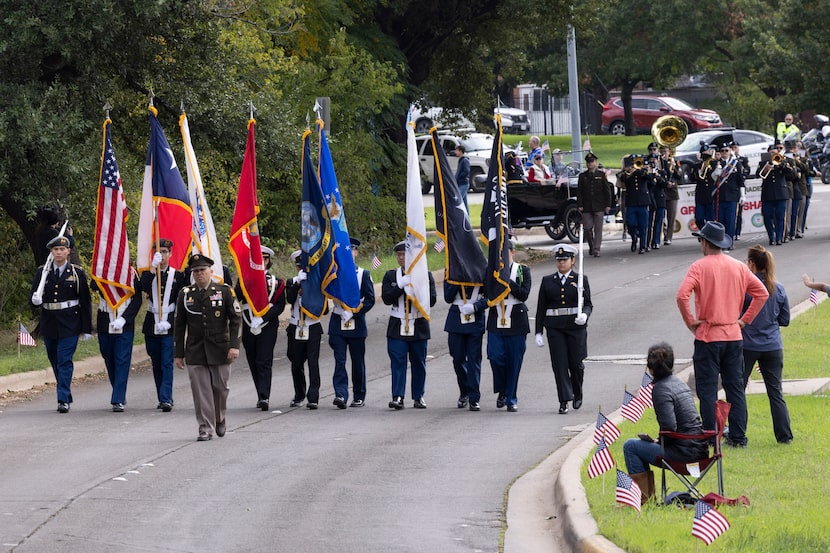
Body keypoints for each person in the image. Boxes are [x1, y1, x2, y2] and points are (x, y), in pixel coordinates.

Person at [676, 221, 769, 448]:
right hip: (733, 335)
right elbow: (762, 293)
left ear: (706, 242)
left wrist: (691, 322)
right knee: (735, 388)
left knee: (707, 390)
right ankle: (738, 437)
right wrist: (744, 320)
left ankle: (710, 436)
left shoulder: (699, 266)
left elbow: (681, 296)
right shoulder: (738, 267)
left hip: (708, 335)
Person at [622, 342, 709, 505]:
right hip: (700, 450)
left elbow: (669, 427)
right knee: (636, 445)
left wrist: (660, 443)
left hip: (684, 454)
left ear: (650, 368)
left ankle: (644, 501)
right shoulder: (679, 383)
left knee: (630, 446)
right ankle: (645, 499)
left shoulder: (660, 389)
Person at [174, 254, 241, 442]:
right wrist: (178, 354)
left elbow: (235, 319)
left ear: (211, 271)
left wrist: (234, 346)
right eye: (195, 271)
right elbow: (179, 325)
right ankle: (205, 427)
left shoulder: (224, 291)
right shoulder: (185, 294)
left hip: (220, 348)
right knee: (200, 391)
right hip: (195, 350)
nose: (199, 274)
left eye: (202, 270)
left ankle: (219, 417)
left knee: (220, 388)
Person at [30, 235, 92, 413]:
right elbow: (33, 297)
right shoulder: (43, 272)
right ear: (51, 252)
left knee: (64, 360)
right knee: (55, 360)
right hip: (49, 322)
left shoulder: (76, 273)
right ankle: (65, 392)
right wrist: (35, 300)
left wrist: (86, 328)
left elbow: (85, 301)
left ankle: (62, 399)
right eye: (56, 250)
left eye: (62, 249)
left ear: (68, 251)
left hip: (70, 323)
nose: (59, 252)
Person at [741, 245, 792, 444]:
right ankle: (784, 436)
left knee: (738, 390)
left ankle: (738, 432)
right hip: (772, 345)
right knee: (775, 392)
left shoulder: (747, 289)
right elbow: (785, 319)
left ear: (752, 264)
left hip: (747, 345)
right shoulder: (777, 287)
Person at [534, 244, 592, 414]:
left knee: (576, 365)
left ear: (572, 260)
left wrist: (585, 316)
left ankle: (577, 392)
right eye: (558, 260)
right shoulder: (547, 281)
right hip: (555, 327)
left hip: (575, 327)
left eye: (565, 260)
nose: (561, 263)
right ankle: (564, 399)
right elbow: (541, 307)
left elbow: (588, 304)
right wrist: (539, 331)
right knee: (559, 365)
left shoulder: (581, 280)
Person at [382, 241, 437, 409]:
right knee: (397, 361)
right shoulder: (391, 276)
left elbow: (432, 300)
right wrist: (400, 286)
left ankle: (418, 396)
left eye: (404, 254)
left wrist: (416, 288)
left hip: (418, 323)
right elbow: (386, 299)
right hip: (398, 323)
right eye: (398, 255)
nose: (400, 258)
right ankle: (398, 396)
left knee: (419, 362)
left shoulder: (425, 275)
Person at [235, 245, 286, 411]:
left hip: (267, 325)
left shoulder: (276, 282)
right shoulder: (245, 279)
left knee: (264, 360)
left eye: (264, 259)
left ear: (268, 261)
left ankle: (265, 396)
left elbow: (280, 306)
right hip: (249, 323)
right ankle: (260, 392)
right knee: (252, 360)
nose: (261, 261)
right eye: (258, 259)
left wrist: (263, 318)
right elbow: (237, 297)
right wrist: (246, 281)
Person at [140, 239, 186, 412]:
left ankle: (167, 398)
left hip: (169, 322)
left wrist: (172, 319)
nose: (162, 255)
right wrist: (152, 268)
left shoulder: (178, 276)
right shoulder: (148, 273)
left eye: (165, 252)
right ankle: (162, 396)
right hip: (152, 322)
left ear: (171, 254)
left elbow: (181, 300)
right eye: (159, 252)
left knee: (167, 362)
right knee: (156, 362)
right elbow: (142, 287)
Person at [328, 237, 375, 408]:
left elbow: (370, 299)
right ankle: (341, 394)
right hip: (338, 321)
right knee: (339, 360)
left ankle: (359, 394)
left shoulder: (363, 274)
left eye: (351, 250)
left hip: (356, 323)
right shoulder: (333, 273)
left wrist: (354, 313)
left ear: (355, 253)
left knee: (357, 361)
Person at [486, 240, 531, 412]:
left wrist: (508, 282)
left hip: (516, 319)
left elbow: (524, 294)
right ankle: (503, 389)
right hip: (496, 317)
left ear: (512, 252)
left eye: (505, 253)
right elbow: (487, 292)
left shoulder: (522, 270)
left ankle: (511, 398)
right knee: (495, 356)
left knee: (514, 361)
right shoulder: (491, 272)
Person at [92, 268, 142, 412]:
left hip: (124, 322)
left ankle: (118, 398)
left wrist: (125, 319)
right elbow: (94, 286)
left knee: (122, 359)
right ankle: (118, 390)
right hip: (105, 320)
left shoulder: (132, 273)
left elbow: (137, 299)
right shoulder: (101, 269)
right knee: (108, 357)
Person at [285, 250, 324, 409]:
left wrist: (311, 288)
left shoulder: (317, 282)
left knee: (313, 363)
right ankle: (299, 394)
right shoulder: (292, 281)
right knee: (296, 362)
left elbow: (324, 308)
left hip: (312, 326)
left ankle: (313, 396)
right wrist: (298, 284)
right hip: (296, 325)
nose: (301, 269)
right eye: (299, 266)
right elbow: (290, 299)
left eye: (304, 267)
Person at [443, 278, 487, 411]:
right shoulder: (452, 269)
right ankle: (464, 391)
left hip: (475, 317)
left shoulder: (482, 268)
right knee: (458, 358)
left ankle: (474, 397)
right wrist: (457, 279)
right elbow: (448, 297)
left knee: (474, 359)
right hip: (456, 319)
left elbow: (491, 296)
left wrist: (476, 306)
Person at [758, 144, 795, 246]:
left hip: (780, 194)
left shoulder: (783, 161)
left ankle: (779, 237)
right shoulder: (762, 163)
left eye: (775, 152)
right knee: (767, 217)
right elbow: (758, 174)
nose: (773, 154)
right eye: (771, 152)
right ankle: (771, 237)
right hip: (767, 194)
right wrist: (766, 168)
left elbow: (790, 174)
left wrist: (780, 164)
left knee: (780, 216)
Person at [577, 152, 612, 257]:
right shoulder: (583, 176)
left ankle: (597, 249)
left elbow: (607, 191)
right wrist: (580, 204)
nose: (590, 164)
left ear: (595, 163)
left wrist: (608, 205)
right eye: (588, 162)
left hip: (599, 206)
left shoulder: (601, 175)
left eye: (592, 162)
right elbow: (579, 192)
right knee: (587, 227)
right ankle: (591, 245)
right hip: (587, 206)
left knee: (598, 228)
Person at [617, 154, 652, 254]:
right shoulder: (626, 173)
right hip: (631, 202)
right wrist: (628, 171)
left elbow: (650, 179)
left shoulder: (642, 172)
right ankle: (634, 237)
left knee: (643, 225)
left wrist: (643, 170)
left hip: (642, 202)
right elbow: (621, 178)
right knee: (630, 224)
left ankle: (643, 246)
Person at [711, 142, 745, 243]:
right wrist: (716, 172)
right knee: (720, 220)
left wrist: (742, 195)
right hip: (720, 196)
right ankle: (721, 242)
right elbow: (712, 179)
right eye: (722, 151)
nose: (724, 152)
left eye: (726, 150)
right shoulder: (715, 163)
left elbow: (740, 181)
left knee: (730, 221)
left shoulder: (736, 163)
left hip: (732, 196)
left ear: (730, 151)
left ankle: (729, 242)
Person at [659, 145, 682, 246]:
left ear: (669, 152)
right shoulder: (658, 162)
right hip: (661, 190)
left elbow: (679, 176)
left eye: (666, 151)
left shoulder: (675, 161)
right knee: (660, 215)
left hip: (672, 192)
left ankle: (669, 237)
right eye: (662, 151)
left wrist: (674, 167)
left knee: (671, 216)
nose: (664, 153)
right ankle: (663, 233)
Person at [646, 143, 667, 250]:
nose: (653, 162)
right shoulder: (646, 172)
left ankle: (656, 241)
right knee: (649, 221)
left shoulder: (662, 171)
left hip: (660, 198)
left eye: (654, 160)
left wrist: (658, 176)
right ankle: (647, 242)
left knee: (658, 221)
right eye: (651, 161)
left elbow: (665, 184)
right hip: (650, 198)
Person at [693, 142, 716, 233]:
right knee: (699, 218)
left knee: (710, 218)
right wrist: (699, 169)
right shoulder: (697, 165)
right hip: (700, 194)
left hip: (710, 194)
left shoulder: (713, 164)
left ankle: (709, 235)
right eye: (704, 153)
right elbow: (693, 178)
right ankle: (703, 231)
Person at [731, 142, 751, 240]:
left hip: (740, 186)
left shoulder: (743, 159)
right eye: (732, 147)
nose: (734, 149)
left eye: (735, 147)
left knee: (738, 212)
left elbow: (747, 170)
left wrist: (742, 174)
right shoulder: (729, 160)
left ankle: (737, 232)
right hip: (732, 186)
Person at [454, 144, 471, 212]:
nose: (455, 152)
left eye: (457, 150)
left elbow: (466, 171)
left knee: (459, 200)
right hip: (460, 183)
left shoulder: (464, 160)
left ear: (461, 151)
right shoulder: (461, 160)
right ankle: (467, 217)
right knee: (464, 202)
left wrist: (459, 177)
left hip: (463, 183)